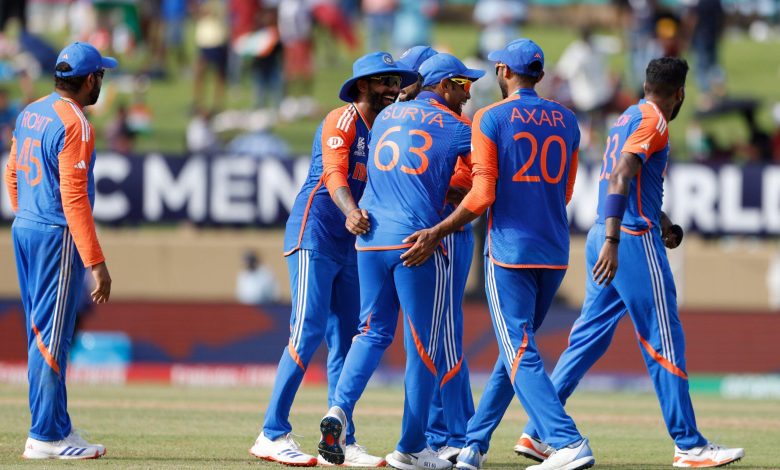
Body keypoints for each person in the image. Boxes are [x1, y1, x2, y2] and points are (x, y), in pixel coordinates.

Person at [515, 57, 745, 469]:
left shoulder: (626, 118)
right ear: (680, 94)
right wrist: (615, 239)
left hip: (608, 233)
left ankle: (537, 432)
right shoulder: (655, 122)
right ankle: (689, 445)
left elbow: (627, 181)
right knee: (664, 337)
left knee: (587, 339)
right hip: (628, 241)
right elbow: (622, 175)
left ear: (644, 84)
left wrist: (664, 222)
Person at [399, 38, 594, 470]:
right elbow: (565, 192)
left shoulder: (490, 117)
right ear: (540, 76)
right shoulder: (567, 120)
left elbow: (483, 193)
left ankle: (566, 440)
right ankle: (473, 444)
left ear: (505, 72)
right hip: (554, 248)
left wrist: (440, 229)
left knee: (518, 349)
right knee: (516, 349)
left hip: (509, 249)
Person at [249, 51, 417, 467]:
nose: (392, 90)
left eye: (396, 83)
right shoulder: (341, 120)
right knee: (307, 331)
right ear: (361, 86)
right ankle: (271, 433)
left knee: (346, 339)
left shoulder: (387, 128)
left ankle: (340, 441)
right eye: (384, 82)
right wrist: (351, 211)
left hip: (350, 244)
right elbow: (334, 175)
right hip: (316, 235)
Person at [317, 52, 483, 470]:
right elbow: (488, 167)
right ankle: (411, 446)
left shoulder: (387, 117)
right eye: (463, 86)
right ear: (443, 87)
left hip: (369, 236)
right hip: (416, 242)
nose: (468, 94)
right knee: (425, 347)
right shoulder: (455, 125)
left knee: (369, 333)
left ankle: (338, 410)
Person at [4, 41, 114, 459]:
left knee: (42, 332)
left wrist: (28, 214)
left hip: (26, 228)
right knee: (51, 337)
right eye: (100, 76)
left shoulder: (31, 110)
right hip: (54, 233)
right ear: (89, 80)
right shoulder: (76, 123)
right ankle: (45, 437)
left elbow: (12, 173)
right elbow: (74, 199)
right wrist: (96, 263)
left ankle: (58, 426)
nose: (101, 82)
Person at [397, 44, 475, 463]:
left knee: (439, 336)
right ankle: (451, 430)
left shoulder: (443, 122)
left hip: (445, 231)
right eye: (462, 83)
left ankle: (449, 431)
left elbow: (470, 179)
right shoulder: (417, 119)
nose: (468, 92)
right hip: (434, 232)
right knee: (434, 337)